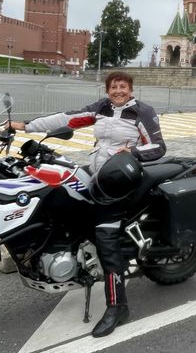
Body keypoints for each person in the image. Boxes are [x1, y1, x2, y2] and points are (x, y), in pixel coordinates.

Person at [9, 70, 166, 338]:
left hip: (120, 182)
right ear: (107, 91)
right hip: (97, 175)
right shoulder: (101, 109)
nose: (118, 91)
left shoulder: (142, 112)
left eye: (123, 86)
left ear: (130, 89)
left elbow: (159, 147)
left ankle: (118, 306)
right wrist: (26, 126)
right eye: (114, 87)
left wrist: (133, 152)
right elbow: (67, 119)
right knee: (55, 196)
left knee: (106, 238)